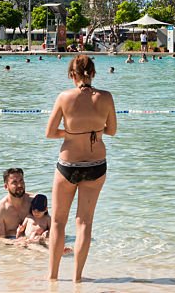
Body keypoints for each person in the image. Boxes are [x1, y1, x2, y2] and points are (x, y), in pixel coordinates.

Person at [46, 55, 117, 282]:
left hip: (69, 164)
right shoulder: (106, 97)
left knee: (58, 222)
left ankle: (53, 277)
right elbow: (112, 130)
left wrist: (70, 133)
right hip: (96, 165)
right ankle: (78, 278)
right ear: (93, 73)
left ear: (71, 74)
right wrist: (91, 130)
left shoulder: (65, 97)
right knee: (84, 222)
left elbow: (49, 133)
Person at [0, 168, 35, 241]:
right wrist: (18, 243)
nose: (20, 185)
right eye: (15, 182)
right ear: (6, 186)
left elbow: (48, 225)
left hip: (34, 239)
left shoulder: (34, 201)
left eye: (21, 181)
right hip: (13, 244)